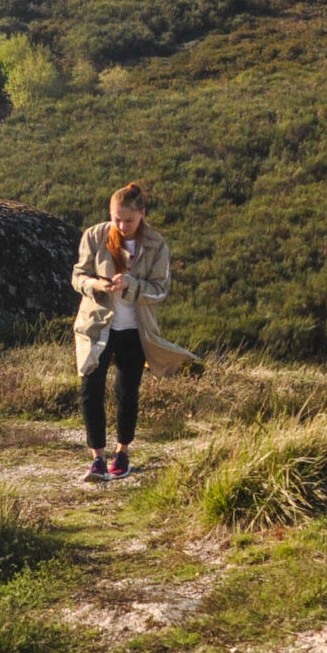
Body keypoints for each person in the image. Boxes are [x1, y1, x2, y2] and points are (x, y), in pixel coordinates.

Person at [69, 182, 192, 480]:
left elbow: (160, 290)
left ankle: (122, 453)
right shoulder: (95, 236)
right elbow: (77, 275)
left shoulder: (156, 244)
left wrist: (132, 286)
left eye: (129, 220)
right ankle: (97, 458)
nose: (122, 226)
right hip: (97, 325)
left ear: (142, 215)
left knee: (126, 392)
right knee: (90, 389)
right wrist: (96, 284)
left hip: (135, 330)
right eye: (116, 218)